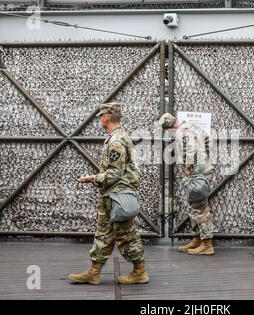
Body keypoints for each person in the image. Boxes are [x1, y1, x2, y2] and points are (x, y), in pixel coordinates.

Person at [68, 102, 148, 285]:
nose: (99, 120)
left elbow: (114, 173)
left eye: (100, 117)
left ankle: (140, 272)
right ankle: (94, 272)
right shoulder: (116, 137)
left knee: (126, 235)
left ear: (106, 117)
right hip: (111, 196)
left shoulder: (116, 141)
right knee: (103, 234)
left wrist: (93, 178)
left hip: (117, 196)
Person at [159, 112, 215, 255]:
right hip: (203, 169)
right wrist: (204, 158)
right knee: (194, 204)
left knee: (199, 207)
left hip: (196, 172)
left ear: (169, 128)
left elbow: (190, 149)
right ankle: (197, 239)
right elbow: (209, 141)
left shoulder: (181, 132)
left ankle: (207, 243)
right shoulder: (193, 126)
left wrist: (189, 166)